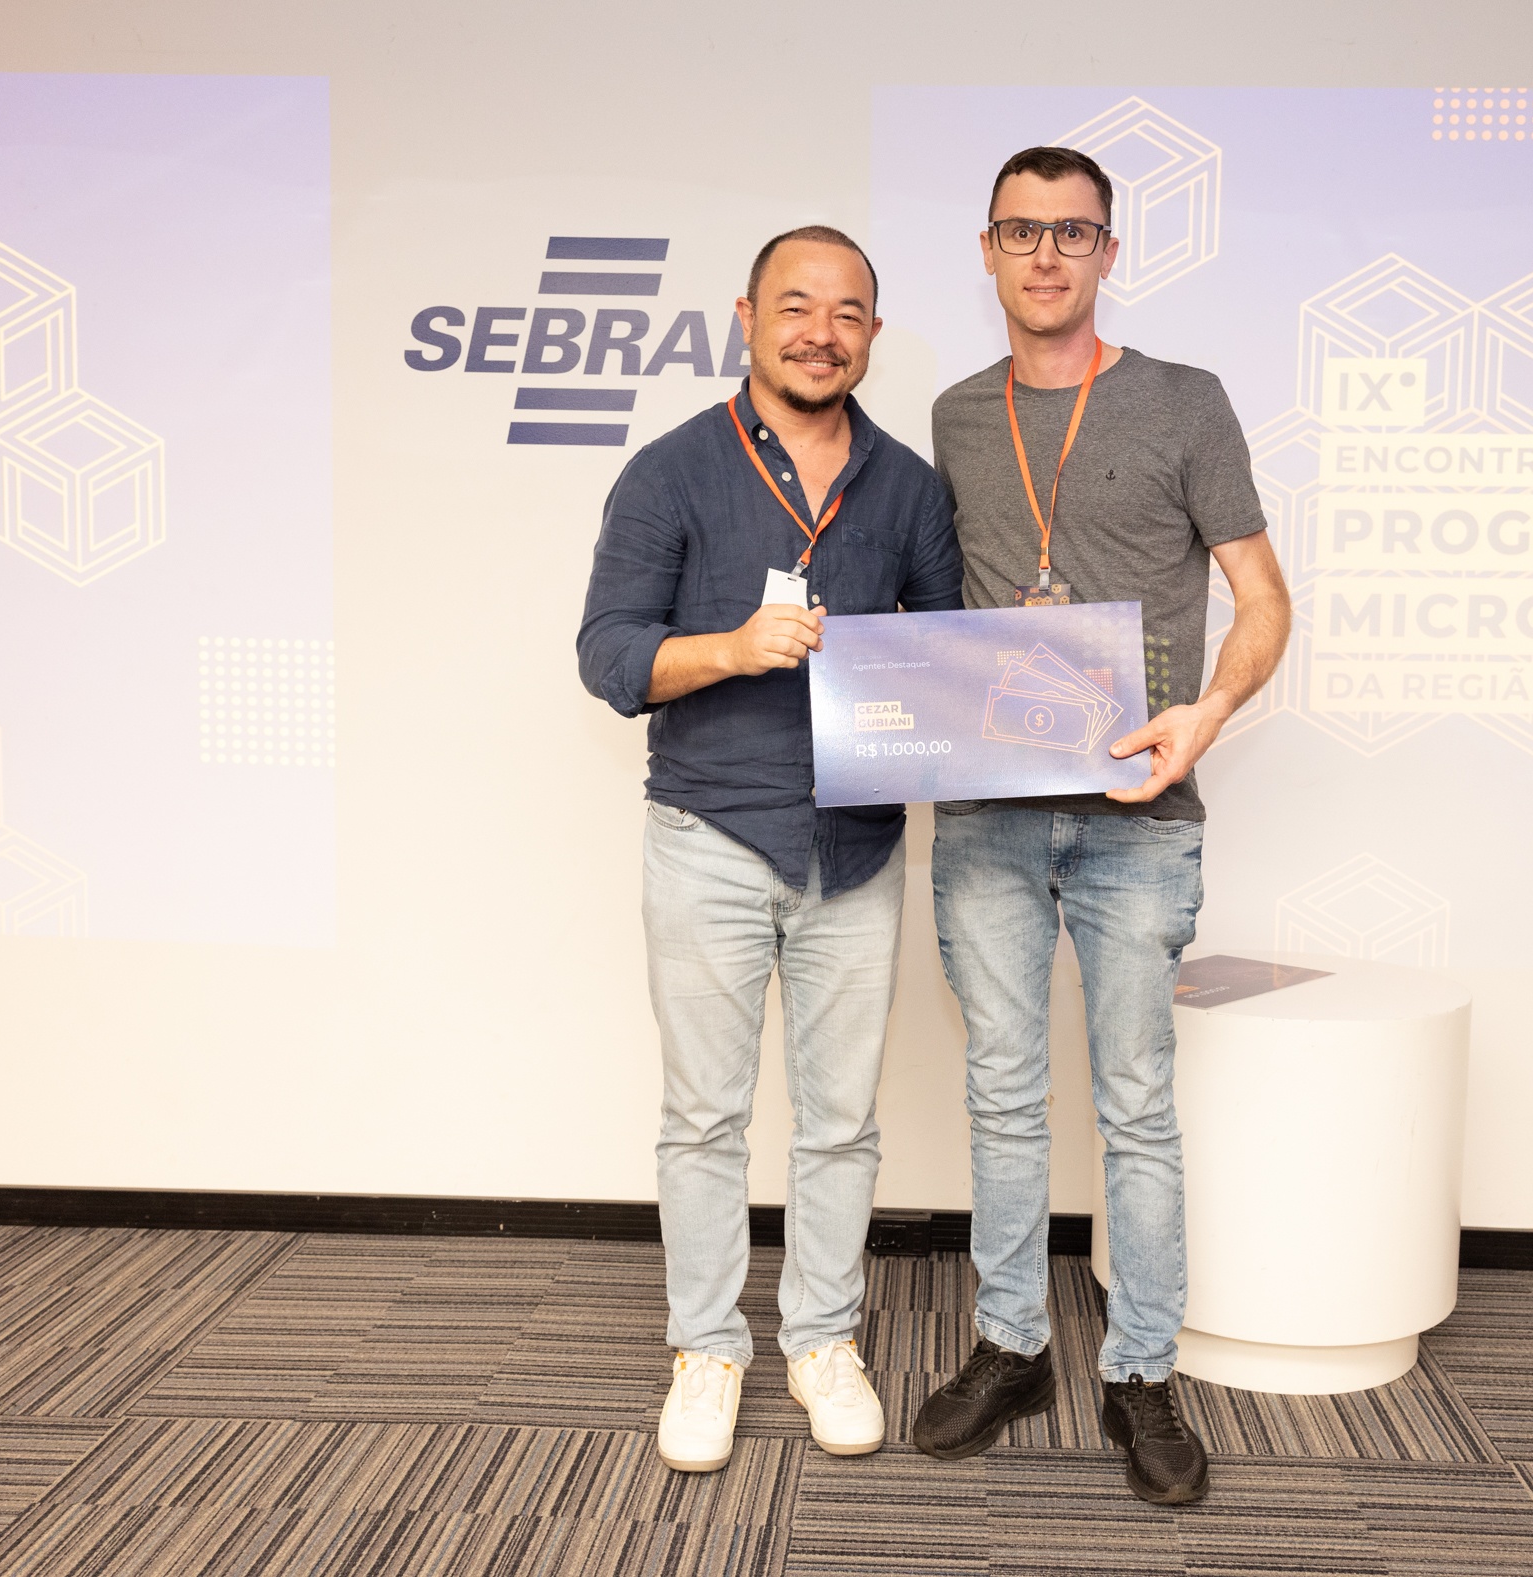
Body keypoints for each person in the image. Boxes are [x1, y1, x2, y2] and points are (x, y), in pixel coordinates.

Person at [909, 147, 1291, 1506]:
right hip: (989, 820)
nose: (1046, 254)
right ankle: (1012, 1345)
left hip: (1140, 816)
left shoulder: (1184, 401)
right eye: (1021, 230)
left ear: (1109, 251)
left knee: (1133, 1104)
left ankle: (1140, 1372)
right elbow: (936, 609)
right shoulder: (957, 416)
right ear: (987, 248)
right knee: (1002, 1095)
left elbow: (1263, 599)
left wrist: (1207, 715)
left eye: (1072, 231)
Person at [577, 226, 963, 1473]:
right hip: (711, 838)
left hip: (855, 849)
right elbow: (608, 655)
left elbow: (946, 665)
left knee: (840, 1121)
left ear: (873, 334)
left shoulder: (906, 487)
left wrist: (1012, 671)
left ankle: (820, 1339)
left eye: (847, 312)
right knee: (703, 1117)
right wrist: (732, 648)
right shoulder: (671, 470)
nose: (820, 333)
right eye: (796, 306)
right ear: (746, 317)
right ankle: (706, 1347)